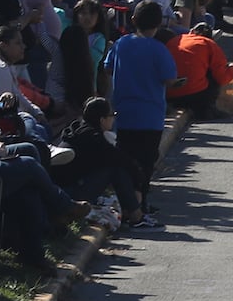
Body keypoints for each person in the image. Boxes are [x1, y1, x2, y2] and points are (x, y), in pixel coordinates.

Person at [105, 1, 183, 215]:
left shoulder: (121, 44)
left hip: (124, 114)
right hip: (150, 117)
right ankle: (140, 205)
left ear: (133, 20)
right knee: (145, 163)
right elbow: (169, 79)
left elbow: (108, 68)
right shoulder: (159, 50)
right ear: (158, 24)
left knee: (127, 161)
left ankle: (128, 202)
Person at [54, 97, 158, 230]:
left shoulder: (79, 131)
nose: (114, 118)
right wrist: (138, 188)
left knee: (114, 166)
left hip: (66, 189)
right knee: (115, 169)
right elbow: (125, 162)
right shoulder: (93, 139)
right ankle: (136, 217)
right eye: (111, 115)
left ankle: (129, 211)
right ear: (102, 120)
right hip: (71, 196)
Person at [166, 30, 233, 118]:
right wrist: (231, 70)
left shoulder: (176, 39)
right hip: (196, 96)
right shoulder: (208, 43)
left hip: (170, 93)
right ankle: (207, 109)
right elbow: (222, 78)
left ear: (192, 31)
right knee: (215, 73)